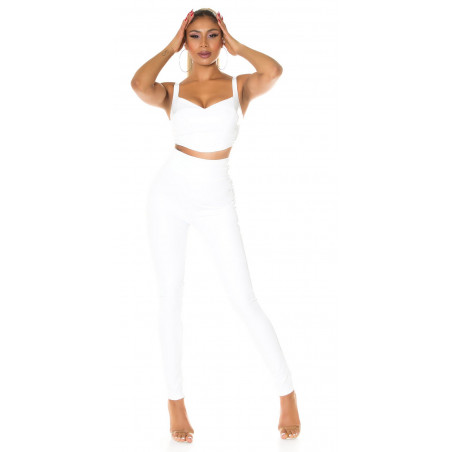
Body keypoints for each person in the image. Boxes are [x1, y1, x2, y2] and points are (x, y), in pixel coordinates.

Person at [131, 8, 300, 443]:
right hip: (169, 196)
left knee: (244, 298)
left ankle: (287, 394)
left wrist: (239, 47)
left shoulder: (240, 85)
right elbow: (139, 85)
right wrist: (169, 47)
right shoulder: (172, 91)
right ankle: (176, 403)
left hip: (216, 201)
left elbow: (274, 70)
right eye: (194, 36)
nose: (203, 44)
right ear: (184, 41)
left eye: (212, 35)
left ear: (223, 39)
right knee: (170, 297)